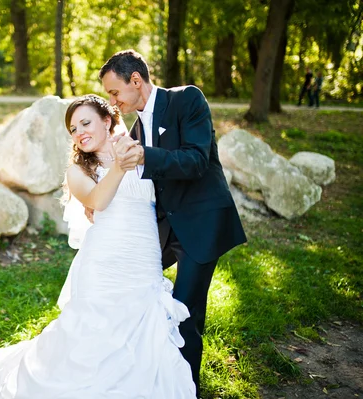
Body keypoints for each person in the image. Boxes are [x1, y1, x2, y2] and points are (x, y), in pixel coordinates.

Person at [0, 94, 197, 398]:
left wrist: (131, 155)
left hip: (143, 260)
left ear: (107, 120)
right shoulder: (78, 171)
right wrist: (120, 166)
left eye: (85, 123)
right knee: (94, 336)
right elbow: (99, 200)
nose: (79, 133)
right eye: (73, 129)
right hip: (104, 264)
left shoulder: (141, 152)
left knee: (144, 334)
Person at [98, 49, 247, 396]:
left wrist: (146, 156)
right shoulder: (136, 126)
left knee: (185, 310)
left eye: (114, 91)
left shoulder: (187, 100)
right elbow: (144, 181)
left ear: (136, 80)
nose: (113, 100)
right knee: (129, 287)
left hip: (202, 222)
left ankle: (184, 388)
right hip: (164, 229)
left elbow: (196, 160)